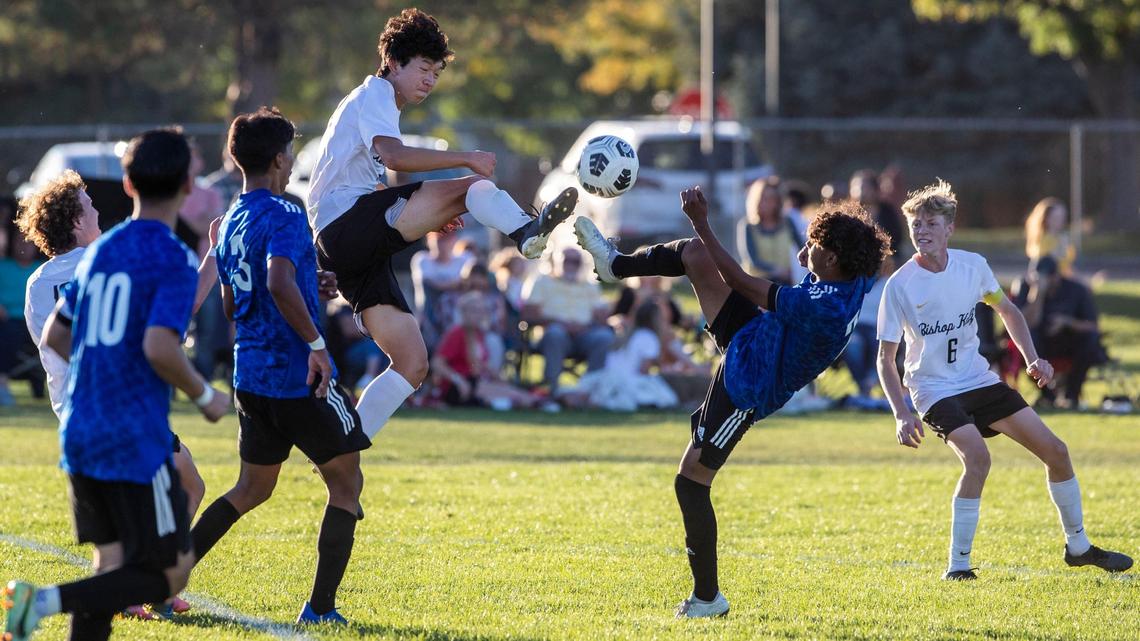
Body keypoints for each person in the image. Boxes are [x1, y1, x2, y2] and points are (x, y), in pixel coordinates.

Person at [574, 186, 891, 618]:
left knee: (691, 481)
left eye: (815, 246)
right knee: (695, 255)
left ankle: (707, 598)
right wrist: (812, 258)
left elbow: (739, 282)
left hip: (748, 383)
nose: (807, 250)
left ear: (833, 259)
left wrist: (702, 222)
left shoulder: (825, 308)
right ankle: (615, 265)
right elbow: (837, 261)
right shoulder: (853, 276)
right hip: (756, 336)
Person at [306, 8, 577, 441]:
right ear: (393, 62)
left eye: (436, 72)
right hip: (343, 228)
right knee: (471, 186)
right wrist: (464, 158)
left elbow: (368, 178)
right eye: (423, 69)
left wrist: (429, 213)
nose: (430, 80)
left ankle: (345, 446)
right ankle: (526, 231)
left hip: (347, 239)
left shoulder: (378, 102)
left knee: (412, 363)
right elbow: (394, 158)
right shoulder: (375, 92)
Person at [2, 128, 231, 641]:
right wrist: (205, 395)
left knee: (111, 570)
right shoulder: (160, 255)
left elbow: (58, 337)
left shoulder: (99, 256)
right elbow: (159, 346)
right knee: (161, 573)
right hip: (129, 428)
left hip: (79, 424)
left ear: (127, 183)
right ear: (189, 185)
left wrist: (99, 368)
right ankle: (38, 602)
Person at [875, 179, 1132, 581]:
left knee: (1057, 451)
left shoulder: (972, 266)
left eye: (929, 223)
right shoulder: (901, 285)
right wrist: (900, 412)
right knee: (978, 458)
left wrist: (1033, 359)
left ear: (949, 229)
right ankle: (958, 566)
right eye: (915, 224)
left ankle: (1078, 547)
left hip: (979, 381)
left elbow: (1009, 311)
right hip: (933, 390)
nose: (921, 231)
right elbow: (885, 359)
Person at [188, 107, 371, 625]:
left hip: (250, 378)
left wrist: (310, 285)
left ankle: (164, 577)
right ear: (276, 158)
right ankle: (321, 609)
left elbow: (232, 304)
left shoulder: (227, 223)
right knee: (346, 483)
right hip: (298, 376)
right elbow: (276, 282)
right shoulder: (287, 213)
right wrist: (315, 341)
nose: (293, 162)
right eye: (290, 152)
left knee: (252, 488)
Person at [1011, 255, 1105, 409]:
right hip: (1038, 345)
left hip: (1067, 342)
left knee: (1090, 340)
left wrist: (1067, 322)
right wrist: (1037, 294)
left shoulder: (1076, 289)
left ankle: (1071, 395)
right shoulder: (1025, 287)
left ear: (1056, 276)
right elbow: (1024, 324)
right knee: (1024, 342)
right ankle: (1048, 396)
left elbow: (1092, 326)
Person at [520, 247, 614, 393]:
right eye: (567, 260)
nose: (571, 265)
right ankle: (552, 388)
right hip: (553, 333)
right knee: (555, 334)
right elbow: (529, 315)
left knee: (604, 337)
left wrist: (600, 318)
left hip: (584, 333)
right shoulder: (542, 281)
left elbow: (601, 317)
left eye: (576, 262)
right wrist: (559, 323)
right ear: (557, 262)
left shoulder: (590, 286)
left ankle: (590, 390)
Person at [558, 299, 679, 412]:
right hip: (626, 380)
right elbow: (643, 370)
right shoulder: (649, 337)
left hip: (606, 375)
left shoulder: (627, 335)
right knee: (662, 394)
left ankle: (579, 400)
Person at [431, 291, 545, 410]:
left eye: (481, 311)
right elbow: (437, 363)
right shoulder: (457, 333)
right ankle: (536, 403)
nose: (478, 315)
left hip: (476, 382)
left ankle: (536, 401)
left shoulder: (479, 334)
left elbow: (479, 365)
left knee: (514, 393)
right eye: (474, 310)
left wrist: (497, 376)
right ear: (464, 312)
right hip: (459, 386)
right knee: (516, 397)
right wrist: (458, 380)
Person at [0, 216, 45, 404]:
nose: (24, 246)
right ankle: (2, 382)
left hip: (35, 320)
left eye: (29, 242)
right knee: (9, 334)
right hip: (8, 320)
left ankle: (41, 387)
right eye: (20, 241)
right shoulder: (3, 266)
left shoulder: (43, 269)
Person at [735, 177, 805, 285]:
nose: (767, 203)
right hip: (756, 284)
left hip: (785, 283)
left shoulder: (788, 222)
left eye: (771, 198)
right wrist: (777, 271)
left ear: (778, 201)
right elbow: (753, 260)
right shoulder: (747, 226)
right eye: (763, 198)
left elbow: (803, 248)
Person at [851, 169, 906, 267]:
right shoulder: (851, 214)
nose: (860, 192)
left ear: (875, 189)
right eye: (856, 187)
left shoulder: (887, 211)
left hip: (887, 259)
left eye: (865, 187)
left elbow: (897, 238)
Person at [1025, 197, 1076, 277]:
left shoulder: (1063, 237)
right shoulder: (1042, 240)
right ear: (1046, 218)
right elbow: (1049, 263)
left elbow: (1068, 264)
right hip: (1050, 279)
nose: (1060, 221)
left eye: (1062, 217)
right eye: (1056, 217)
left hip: (1065, 277)